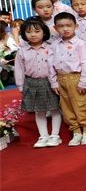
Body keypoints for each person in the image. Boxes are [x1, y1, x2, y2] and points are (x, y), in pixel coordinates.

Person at [15, 19, 62, 148]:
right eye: (29, 32)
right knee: (39, 110)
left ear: (44, 32)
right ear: (24, 34)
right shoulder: (22, 51)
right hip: (31, 83)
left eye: (37, 31)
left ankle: (55, 135)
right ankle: (43, 136)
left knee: (54, 108)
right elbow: (19, 69)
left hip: (50, 82)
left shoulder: (51, 47)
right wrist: (20, 86)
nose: (33, 34)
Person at [49, 12, 86, 145]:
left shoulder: (81, 44)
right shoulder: (54, 45)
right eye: (61, 26)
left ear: (76, 26)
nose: (65, 29)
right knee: (66, 106)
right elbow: (50, 64)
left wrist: (84, 81)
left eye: (69, 25)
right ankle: (76, 131)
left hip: (77, 78)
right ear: (55, 28)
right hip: (61, 78)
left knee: (81, 104)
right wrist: (54, 82)